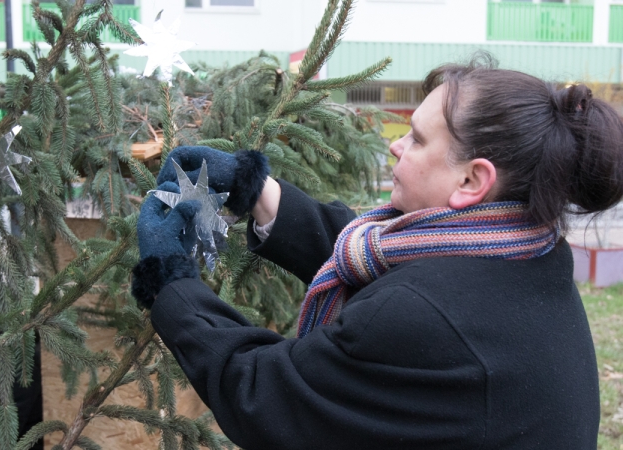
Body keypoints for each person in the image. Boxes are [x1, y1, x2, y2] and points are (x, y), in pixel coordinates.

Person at [132, 56, 623, 449]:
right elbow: (389, 262)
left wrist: (169, 280)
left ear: (472, 180)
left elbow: (261, 392)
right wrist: (255, 189)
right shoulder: (527, 250)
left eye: (417, 138)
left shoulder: (421, 315)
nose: (396, 147)